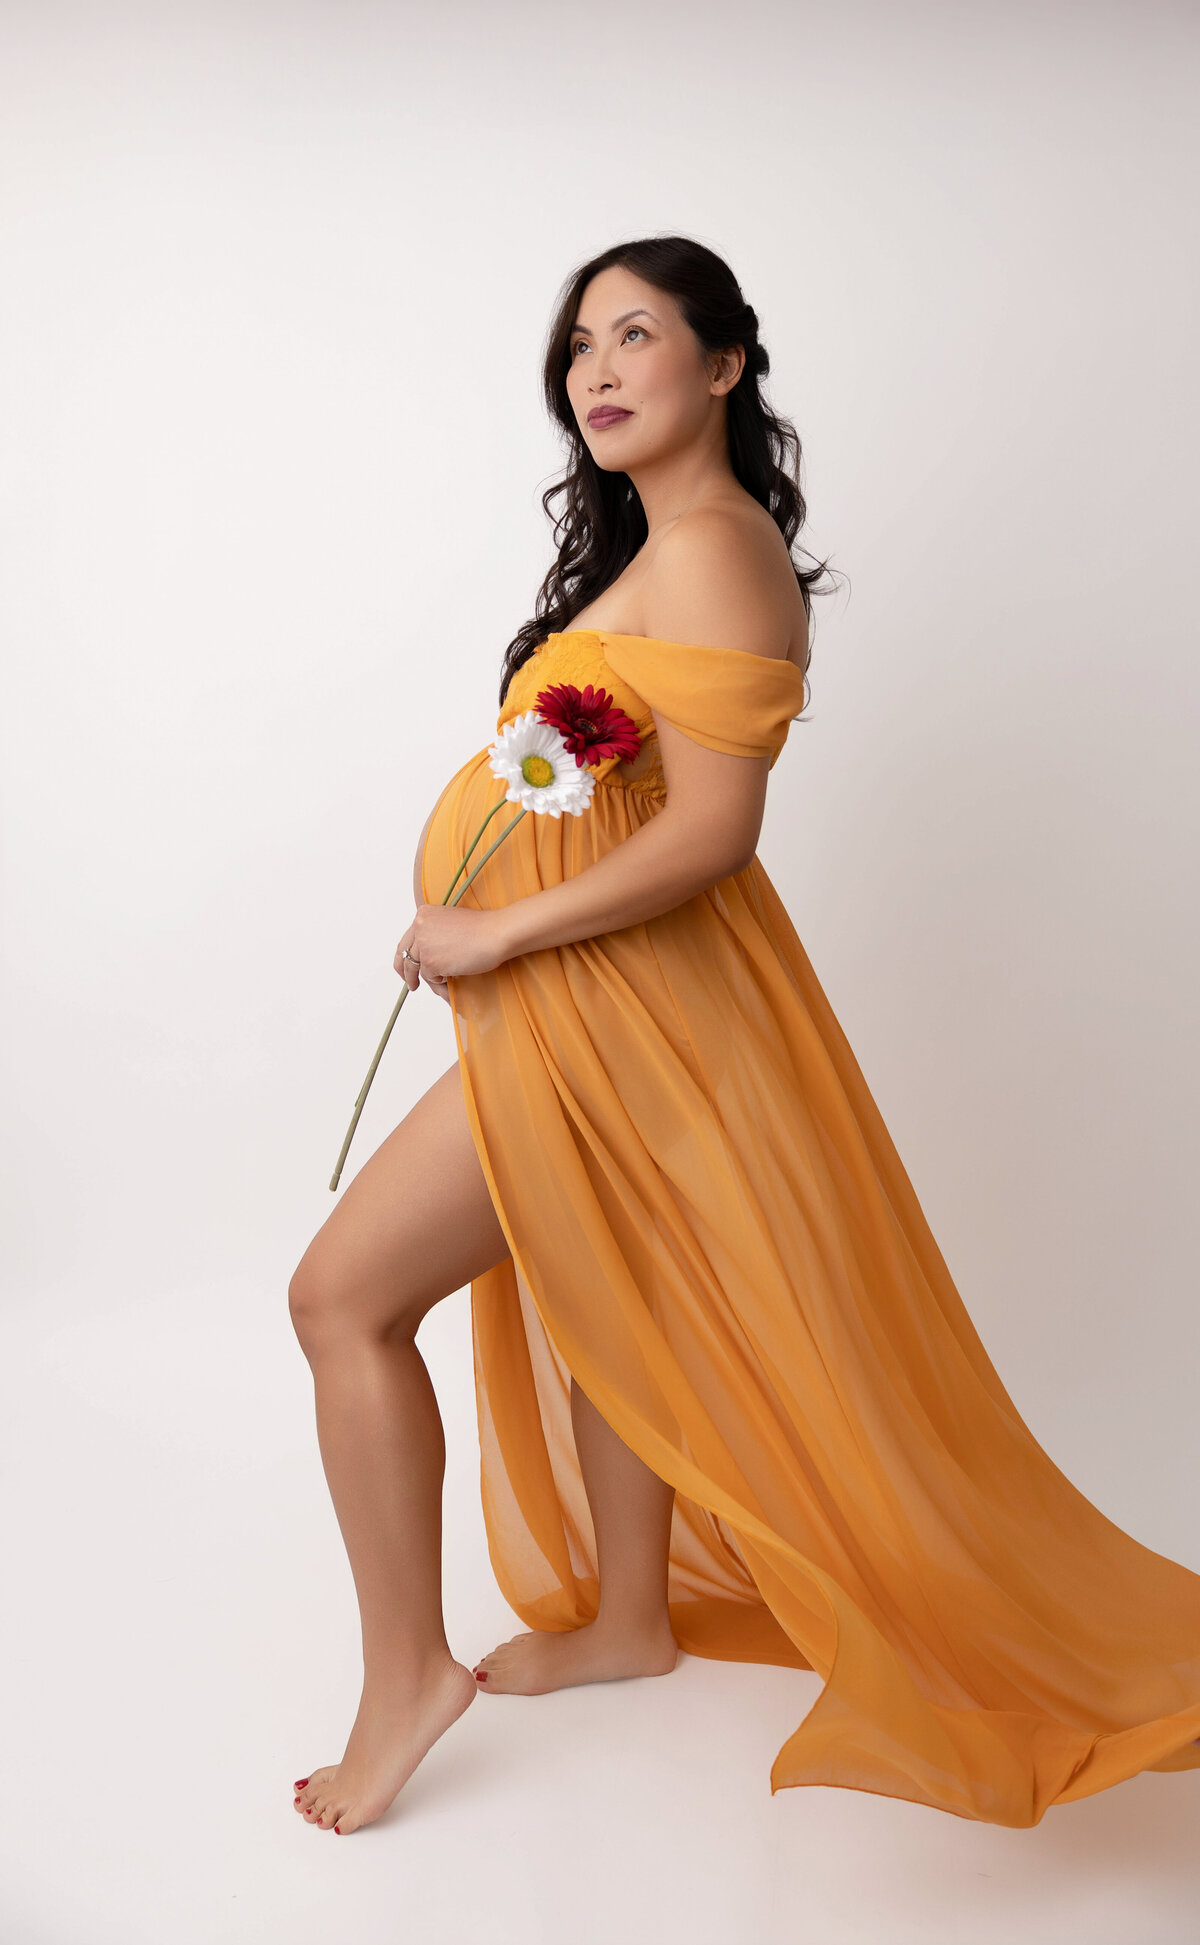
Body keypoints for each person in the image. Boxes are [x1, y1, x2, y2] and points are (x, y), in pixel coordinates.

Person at [287, 236, 1200, 1838]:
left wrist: (491, 927)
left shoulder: (717, 548)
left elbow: (713, 831)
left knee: (339, 1296)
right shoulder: (664, 548)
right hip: (589, 1011)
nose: (597, 369)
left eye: (637, 334)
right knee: (590, 1285)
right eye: (579, 345)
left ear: (723, 365)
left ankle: (402, 1677)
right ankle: (633, 1617)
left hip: (623, 1013)